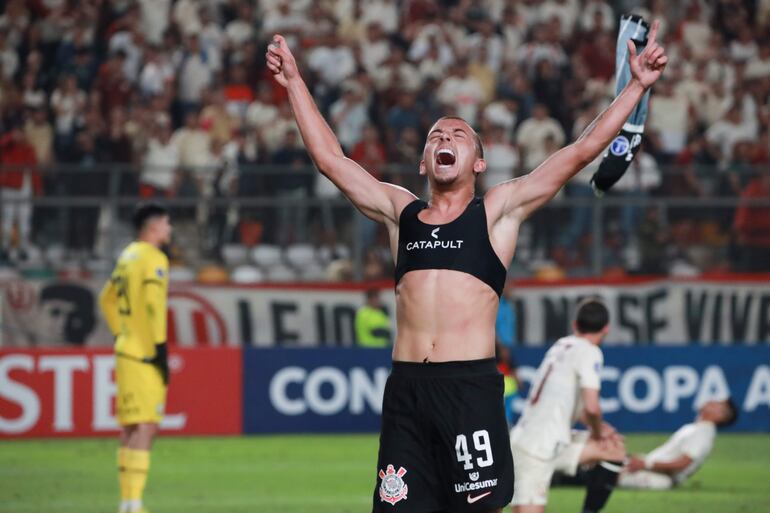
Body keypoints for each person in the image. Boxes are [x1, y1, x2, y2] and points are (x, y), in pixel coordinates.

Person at [265, 22, 667, 513]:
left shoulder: (498, 212)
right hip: (407, 391)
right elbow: (330, 158)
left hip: (469, 390)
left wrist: (636, 86)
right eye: (436, 136)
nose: (444, 138)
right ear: (424, 162)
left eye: (458, 134)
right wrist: (295, 82)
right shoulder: (401, 212)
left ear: (478, 161)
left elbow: (579, 152)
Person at [510, 299, 625, 513]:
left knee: (613, 449)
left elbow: (576, 407)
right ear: (606, 329)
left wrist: (602, 430)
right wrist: (598, 432)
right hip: (535, 448)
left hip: (549, 439)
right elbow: (592, 408)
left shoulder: (562, 345)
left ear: (575, 324)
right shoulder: (590, 352)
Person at [99, 203, 172, 513]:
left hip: (125, 350)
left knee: (130, 426)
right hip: (143, 354)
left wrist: (121, 333)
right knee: (145, 426)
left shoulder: (127, 255)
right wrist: (159, 349)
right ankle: (134, 504)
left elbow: (107, 299)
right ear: (153, 227)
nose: (170, 229)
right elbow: (154, 306)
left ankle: (127, 503)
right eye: (167, 224)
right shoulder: (154, 259)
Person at [619, 399, 738, 490]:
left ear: (721, 417)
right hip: (651, 469)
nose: (711, 401)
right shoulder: (698, 428)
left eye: (717, 404)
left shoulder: (702, 433)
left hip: (658, 478)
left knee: (607, 475)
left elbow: (683, 463)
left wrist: (646, 464)